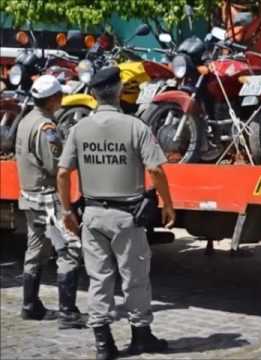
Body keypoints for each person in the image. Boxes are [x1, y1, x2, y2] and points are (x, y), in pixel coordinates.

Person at [57, 67, 176, 360]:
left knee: (99, 279)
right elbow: (155, 169)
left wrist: (66, 210)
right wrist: (167, 202)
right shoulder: (134, 126)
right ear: (120, 89)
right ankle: (140, 336)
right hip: (127, 216)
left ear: (94, 94)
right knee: (134, 278)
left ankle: (103, 344)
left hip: (93, 215)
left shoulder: (79, 129)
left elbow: (62, 173)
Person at [15, 75, 87, 329]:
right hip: (48, 198)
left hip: (29, 196)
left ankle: (29, 304)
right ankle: (68, 312)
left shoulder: (26, 121)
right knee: (70, 249)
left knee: (36, 249)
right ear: (53, 99)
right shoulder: (47, 127)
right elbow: (56, 166)